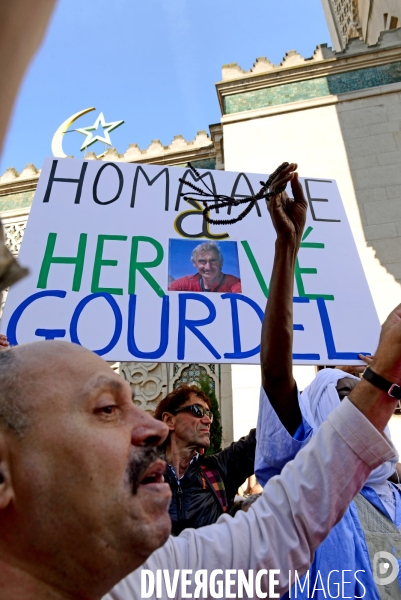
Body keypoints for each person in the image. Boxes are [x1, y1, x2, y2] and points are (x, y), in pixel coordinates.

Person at [255, 163, 401, 599]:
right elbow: (277, 374)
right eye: (343, 393)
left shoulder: (393, 498)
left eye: (360, 388)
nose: (360, 397)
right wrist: (288, 245)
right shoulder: (311, 476)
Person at [154, 384, 256, 534]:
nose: (208, 421)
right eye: (198, 411)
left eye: (209, 414)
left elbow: (264, 438)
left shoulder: (219, 469)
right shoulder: (143, 477)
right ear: (169, 420)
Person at [168, 241, 241, 292]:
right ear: (194, 263)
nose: (208, 267)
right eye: (202, 261)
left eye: (213, 261)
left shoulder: (234, 283)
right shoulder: (186, 283)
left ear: (221, 263)